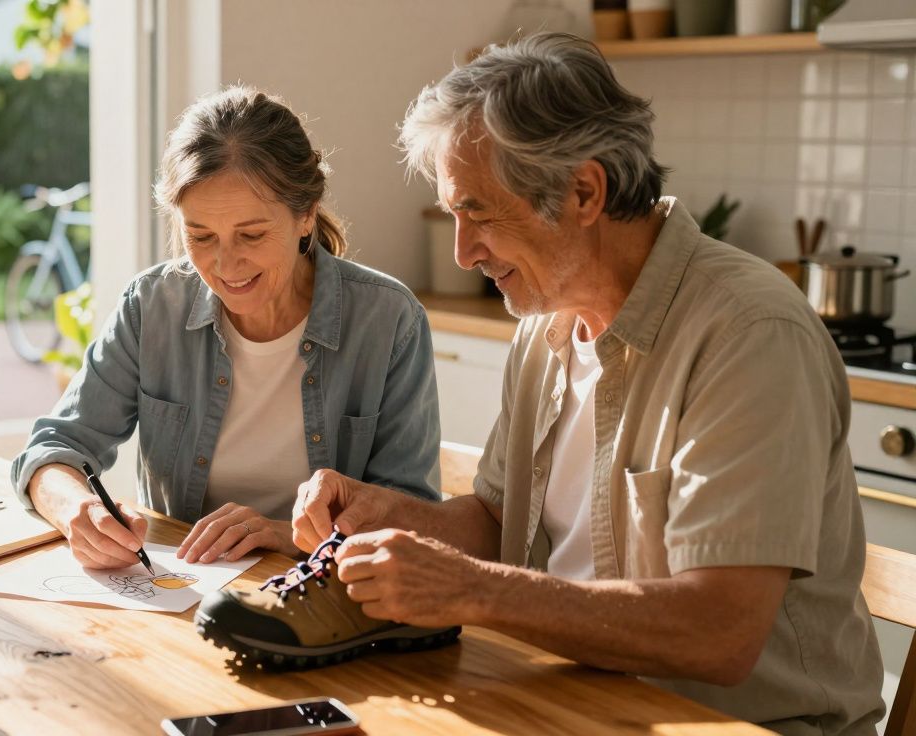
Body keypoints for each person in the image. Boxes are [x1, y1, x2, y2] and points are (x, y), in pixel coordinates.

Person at [203, 33, 884, 735]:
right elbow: (501, 523)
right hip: (574, 702)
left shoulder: (748, 334)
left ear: (584, 191)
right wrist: (388, 516)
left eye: (478, 212)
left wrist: (470, 591)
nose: (463, 252)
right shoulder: (546, 321)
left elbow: (718, 632)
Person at [12, 86, 441, 574]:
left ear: (306, 215)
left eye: (252, 235)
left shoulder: (388, 320)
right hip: (183, 592)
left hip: (325, 595)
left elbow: (413, 514)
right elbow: (53, 449)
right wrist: (77, 510)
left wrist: (282, 537)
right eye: (200, 236)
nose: (225, 264)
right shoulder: (151, 306)